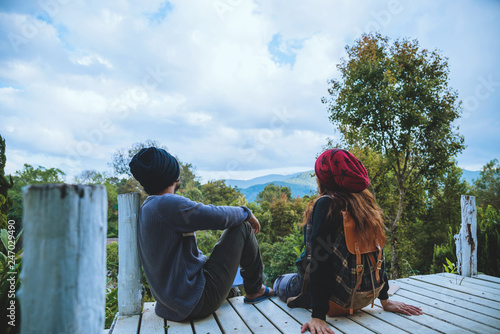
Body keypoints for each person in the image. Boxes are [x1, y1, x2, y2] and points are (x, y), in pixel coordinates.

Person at [273, 149, 422, 334]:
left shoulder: (326, 204)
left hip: (333, 302)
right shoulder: (365, 203)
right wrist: (385, 299)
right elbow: (377, 255)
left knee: (279, 281)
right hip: (363, 298)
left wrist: (318, 316)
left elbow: (318, 260)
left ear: (324, 177)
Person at [129, 147, 273, 322]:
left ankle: (243, 288)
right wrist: (247, 213)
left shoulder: (149, 207)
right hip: (196, 301)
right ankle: (255, 289)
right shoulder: (166, 204)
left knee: (215, 252)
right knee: (242, 226)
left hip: (171, 305)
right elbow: (215, 216)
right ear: (173, 175)